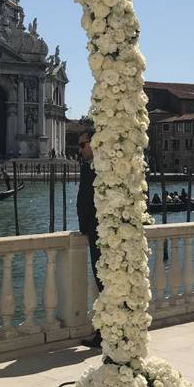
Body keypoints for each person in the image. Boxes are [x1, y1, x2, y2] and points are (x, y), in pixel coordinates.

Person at [77, 128, 103, 348]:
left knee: (102, 283)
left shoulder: (89, 168)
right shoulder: (111, 166)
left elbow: (84, 201)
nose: (80, 149)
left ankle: (103, 334)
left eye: (82, 144)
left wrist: (84, 228)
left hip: (97, 233)